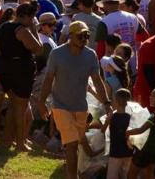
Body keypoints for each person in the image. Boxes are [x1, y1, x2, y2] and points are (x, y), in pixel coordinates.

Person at [38, 20, 111, 179]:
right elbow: (49, 78)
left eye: (87, 36)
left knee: (75, 145)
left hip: (81, 107)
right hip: (60, 106)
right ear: (70, 36)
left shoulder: (90, 55)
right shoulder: (57, 54)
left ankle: (71, 174)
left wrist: (106, 103)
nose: (84, 39)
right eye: (80, 36)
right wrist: (41, 102)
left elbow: (97, 80)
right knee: (71, 145)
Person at [0, 1, 42, 150]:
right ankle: (20, 143)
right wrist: (34, 30)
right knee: (20, 109)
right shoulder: (22, 30)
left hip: (5, 69)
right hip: (21, 71)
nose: (32, 21)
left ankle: (7, 140)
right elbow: (38, 49)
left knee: (13, 105)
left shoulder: (3, 27)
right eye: (32, 18)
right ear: (25, 16)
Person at [127, 86, 155, 179]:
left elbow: (141, 130)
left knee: (131, 175)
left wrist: (126, 133)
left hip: (145, 150)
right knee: (149, 174)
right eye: (151, 95)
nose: (150, 97)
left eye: (154, 95)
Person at [99, 88, 135, 179]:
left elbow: (102, 131)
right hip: (129, 152)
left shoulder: (112, 117)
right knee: (126, 176)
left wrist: (107, 121)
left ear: (116, 101)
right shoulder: (131, 117)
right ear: (129, 101)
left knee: (112, 176)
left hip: (115, 153)